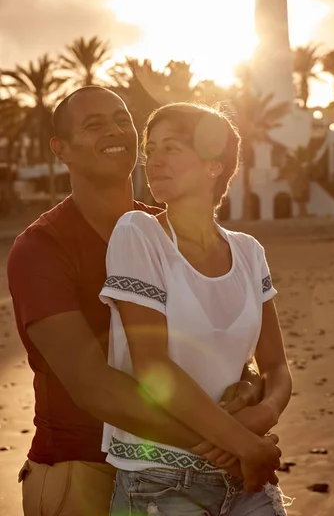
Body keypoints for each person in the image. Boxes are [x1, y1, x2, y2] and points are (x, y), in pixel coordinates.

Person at [7, 86, 282, 516]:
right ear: (61, 149)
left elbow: (215, 345)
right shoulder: (40, 248)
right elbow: (94, 388)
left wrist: (247, 390)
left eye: (123, 120)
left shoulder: (164, 233)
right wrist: (231, 441)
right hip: (79, 470)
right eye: (94, 125)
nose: (116, 130)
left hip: (190, 465)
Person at [100, 102, 292, 516]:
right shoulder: (138, 234)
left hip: (245, 477)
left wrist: (260, 418)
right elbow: (152, 369)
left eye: (173, 147)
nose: (155, 161)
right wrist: (242, 443)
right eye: (151, 150)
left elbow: (276, 367)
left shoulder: (248, 252)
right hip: (159, 482)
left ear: (214, 166)